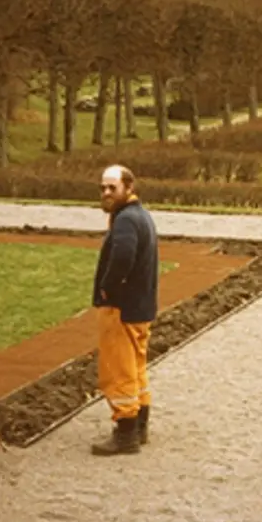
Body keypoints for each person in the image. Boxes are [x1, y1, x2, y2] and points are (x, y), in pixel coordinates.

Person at [90, 164, 159, 456]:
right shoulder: (141, 216)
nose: (106, 193)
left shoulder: (126, 221)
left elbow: (123, 257)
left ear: (129, 187)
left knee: (119, 372)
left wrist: (108, 288)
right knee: (136, 368)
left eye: (112, 188)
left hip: (122, 307)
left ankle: (126, 432)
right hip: (141, 307)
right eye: (103, 187)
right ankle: (140, 425)